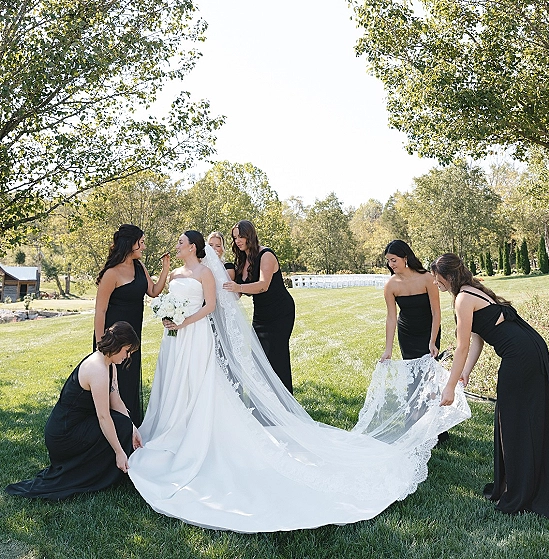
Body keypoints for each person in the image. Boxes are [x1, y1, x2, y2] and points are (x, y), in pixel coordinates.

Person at [128, 235, 470, 532]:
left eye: (393, 260)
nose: (390, 266)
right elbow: (157, 291)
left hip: (205, 327)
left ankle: (432, 426)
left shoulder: (247, 262)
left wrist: (433, 338)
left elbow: (234, 294)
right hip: (177, 337)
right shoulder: (178, 270)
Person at [433, 253, 549, 518]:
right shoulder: (473, 291)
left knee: (514, 421)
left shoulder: (463, 298)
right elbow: (477, 339)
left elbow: (461, 347)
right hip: (530, 349)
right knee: (518, 418)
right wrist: (466, 373)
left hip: (521, 357)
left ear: (447, 276)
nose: (436, 283)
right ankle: (525, 484)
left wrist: (449, 387)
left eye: (437, 278)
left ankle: (523, 492)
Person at [6, 322, 142, 500]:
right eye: (127, 350)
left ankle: (110, 470)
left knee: (123, 424)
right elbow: (103, 417)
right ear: (117, 346)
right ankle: (105, 471)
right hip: (64, 434)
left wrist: (132, 428)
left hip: (78, 423)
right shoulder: (98, 368)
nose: (128, 356)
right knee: (117, 426)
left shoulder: (109, 364)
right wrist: (118, 452)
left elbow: (116, 401)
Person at [93, 224, 170, 426]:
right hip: (112, 338)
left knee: (129, 380)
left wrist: (165, 270)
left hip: (132, 336)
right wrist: (101, 344)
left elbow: (153, 291)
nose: (144, 247)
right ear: (130, 244)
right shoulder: (111, 273)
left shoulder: (139, 267)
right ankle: (113, 427)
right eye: (141, 242)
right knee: (113, 382)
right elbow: (100, 311)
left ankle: (130, 427)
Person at [223, 220, 295, 393]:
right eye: (235, 238)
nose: (238, 241)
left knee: (276, 359)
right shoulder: (242, 260)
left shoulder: (266, 255)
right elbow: (237, 293)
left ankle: (285, 407)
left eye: (241, 236)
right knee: (258, 360)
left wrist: (238, 287)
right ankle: (267, 406)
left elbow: (263, 285)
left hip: (280, 313)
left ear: (250, 235)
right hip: (261, 315)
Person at [380, 240, 441, 361]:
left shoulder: (427, 278)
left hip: (429, 331)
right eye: (388, 260)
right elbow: (391, 318)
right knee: (411, 375)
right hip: (407, 335)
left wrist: (432, 341)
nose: (390, 264)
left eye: (394, 260)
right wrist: (388, 349)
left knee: (429, 372)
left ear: (405, 258)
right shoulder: (390, 285)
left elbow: (436, 312)